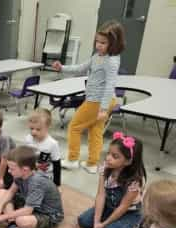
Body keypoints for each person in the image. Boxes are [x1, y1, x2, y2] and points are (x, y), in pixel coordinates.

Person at [52, 20, 125, 173]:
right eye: (97, 41)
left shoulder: (111, 61)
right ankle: (92, 164)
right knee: (95, 131)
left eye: (103, 43)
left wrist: (104, 108)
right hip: (98, 100)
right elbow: (81, 67)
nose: (98, 45)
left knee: (74, 127)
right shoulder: (97, 55)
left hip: (98, 101)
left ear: (114, 43)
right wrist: (62, 68)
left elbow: (110, 85)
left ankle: (72, 159)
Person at [78, 132, 146, 228]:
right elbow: (101, 195)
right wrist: (96, 221)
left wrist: (104, 224)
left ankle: (137, 225)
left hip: (128, 213)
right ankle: (109, 221)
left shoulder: (134, 181)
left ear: (128, 161)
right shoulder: (105, 168)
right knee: (83, 221)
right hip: (110, 206)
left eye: (115, 156)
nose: (108, 158)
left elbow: (123, 207)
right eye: (108, 153)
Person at [0, 146, 64, 228]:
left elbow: (28, 211)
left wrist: (5, 216)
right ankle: (12, 224)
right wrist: (0, 207)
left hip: (48, 214)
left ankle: (17, 225)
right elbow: (11, 191)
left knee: (22, 221)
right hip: (30, 203)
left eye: (12, 169)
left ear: (25, 169)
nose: (9, 171)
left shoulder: (36, 182)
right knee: (1, 193)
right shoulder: (20, 174)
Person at [24, 108, 61, 187]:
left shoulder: (52, 144)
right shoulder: (28, 138)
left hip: (46, 176)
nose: (33, 132)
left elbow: (57, 165)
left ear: (48, 127)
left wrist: (57, 185)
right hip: (31, 172)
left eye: (38, 129)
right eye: (31, 128)